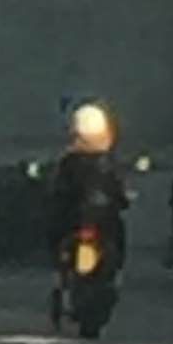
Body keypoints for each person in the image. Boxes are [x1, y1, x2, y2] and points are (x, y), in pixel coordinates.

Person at [45, 103, 129, 275]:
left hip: (99, 221)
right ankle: (62, 274)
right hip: (74, 219)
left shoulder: (105, 164)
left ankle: (113, 271)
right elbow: (58, 190)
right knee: (57, 234)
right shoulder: (71, 163)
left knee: (116, 233)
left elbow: (117, 188)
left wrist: (120, 199)